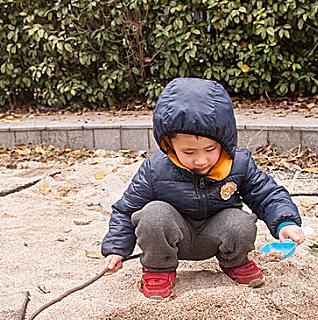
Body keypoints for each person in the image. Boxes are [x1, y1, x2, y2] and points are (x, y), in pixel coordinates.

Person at [101, 78, 305, 300]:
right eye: (189, 152)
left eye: (210, 149)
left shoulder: (238, 163)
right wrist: (116, 249)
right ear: (169, 144)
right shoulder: (156, 168)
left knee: (241, 221)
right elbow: (127, 208)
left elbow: (267, 194)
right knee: (152, 215)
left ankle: (235, 263)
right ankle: (158, 270)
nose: (201, 160)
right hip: (173, 236)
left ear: (223, 142)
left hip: (214, 235)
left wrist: (285, 222)